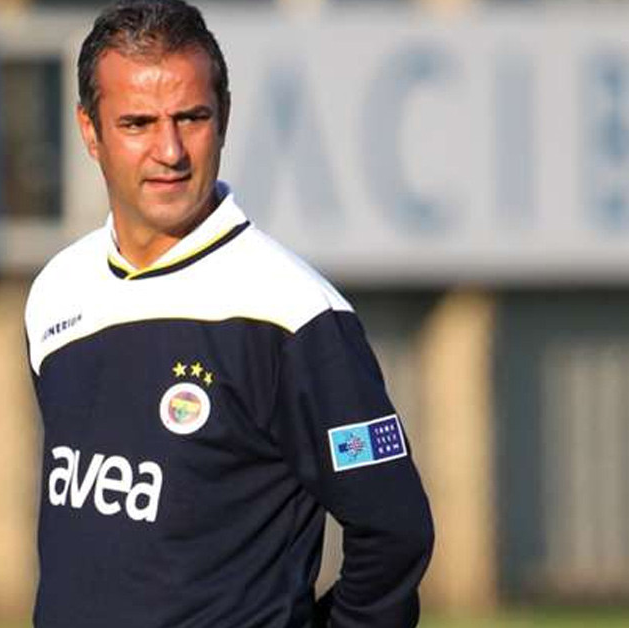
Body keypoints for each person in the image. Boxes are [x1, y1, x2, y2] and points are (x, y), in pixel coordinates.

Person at [23, 1, 433, 626]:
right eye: (137, 123)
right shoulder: (57, 292)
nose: (169, 150)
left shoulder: (296, 315)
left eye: (191, 118)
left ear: (224, 118)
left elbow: (395, 531)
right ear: (90, 131)